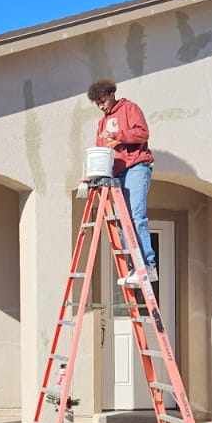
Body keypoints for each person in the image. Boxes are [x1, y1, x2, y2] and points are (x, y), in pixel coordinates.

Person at [88, 79, 155, 287]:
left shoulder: (129, 109)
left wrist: (119, 136)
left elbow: (143, 132)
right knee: (123, 220)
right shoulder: (101, 123)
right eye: (97, 104)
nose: (101, 106)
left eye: (102, 101)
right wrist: (93, 174)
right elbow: (101, 151)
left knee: (136, 216)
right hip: (116, 174)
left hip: (136, 167)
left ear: (111, 94)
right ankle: (136, 266)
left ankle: (148, 266)